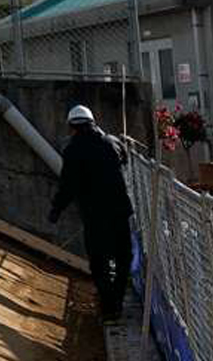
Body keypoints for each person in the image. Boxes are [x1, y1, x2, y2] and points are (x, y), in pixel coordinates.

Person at [48, 104, 133, 321]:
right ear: (93, 122)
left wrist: (56, 210)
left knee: (99, 260)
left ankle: (108, 306)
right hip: (120, 211)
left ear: (72, 127)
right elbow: (125, 159)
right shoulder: (113, 142)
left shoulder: (73, 150)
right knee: (123, 257)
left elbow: (67, 186)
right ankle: (117, 299)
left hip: (94, 215)